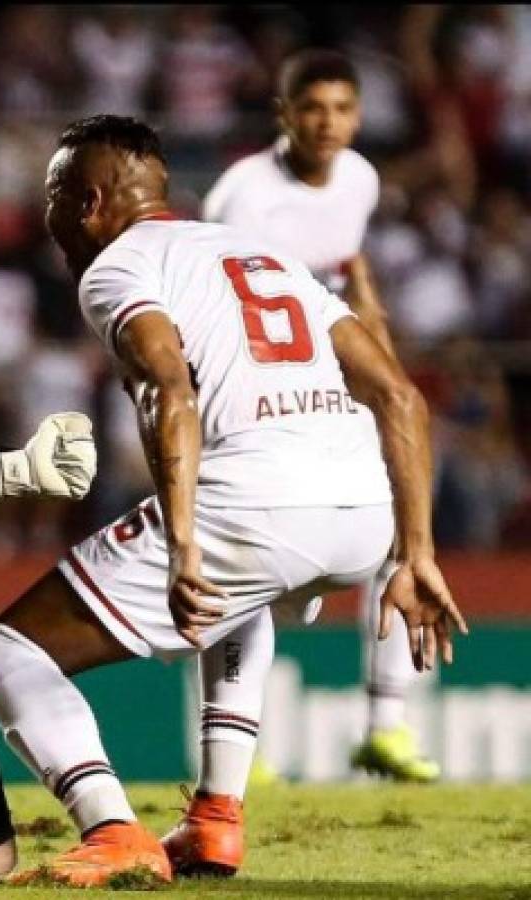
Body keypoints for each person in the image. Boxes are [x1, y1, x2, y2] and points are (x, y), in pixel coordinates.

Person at [0, 115, 467, 887]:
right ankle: (215, 822)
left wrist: (183, 544)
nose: (51, 221)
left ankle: (110, 829)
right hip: (364, 510)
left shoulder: (118, 267)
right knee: (242, 596)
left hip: (256, 501)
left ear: (91, 200)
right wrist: (416, 552)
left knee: (9, 648)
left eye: (55, 199)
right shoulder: (271, 257)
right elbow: (399, 396)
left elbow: (168, 392)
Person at [201, 49, 440, 785]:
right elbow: (222, 309)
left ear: (359, 115)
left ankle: (385, 728)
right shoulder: (241, 199)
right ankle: (243, 747)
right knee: (255, 562)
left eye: (341, 109)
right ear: (282, 114)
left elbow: (348, 272)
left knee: (405, 521)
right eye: (312, 108)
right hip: (267, 386)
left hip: (339, 376)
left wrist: (373, 325)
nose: (327, 123)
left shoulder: (361, 178)